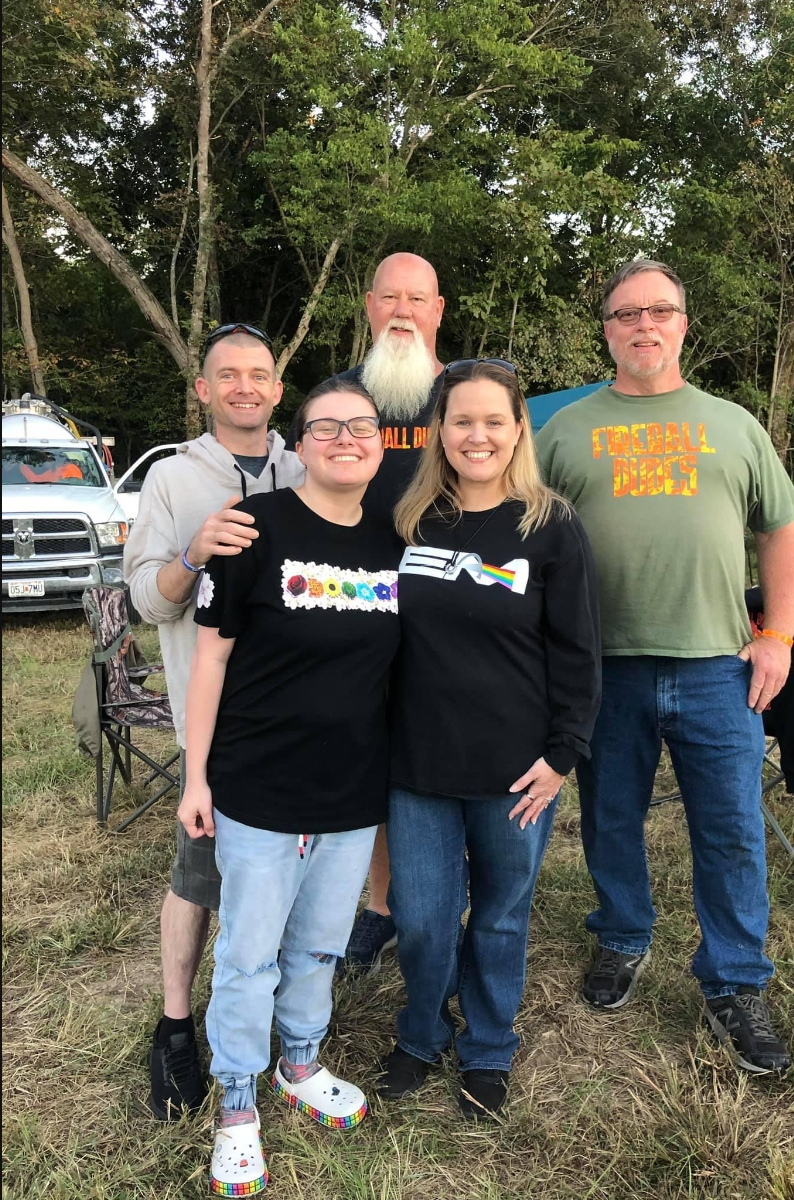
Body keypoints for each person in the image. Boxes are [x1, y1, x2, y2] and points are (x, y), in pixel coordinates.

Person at [533, 259, 794, 1075]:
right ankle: (622, 934)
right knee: (610, 815)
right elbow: (523, 539)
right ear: (607, 330)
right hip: (602, 667)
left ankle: (735, 980)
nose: (643, 325)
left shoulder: (734, 425)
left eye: (659, 311)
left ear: (684, 324)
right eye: (626, 313)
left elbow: (781, 534)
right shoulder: (564, 431)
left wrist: (779, 635)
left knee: (730, 829)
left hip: (719, 665)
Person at [181, 378, 402, 1197]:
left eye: (362, 426)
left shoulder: (395, 539)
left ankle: (299, 1063)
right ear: (299, 444)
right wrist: (195, 777)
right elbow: (211, 658)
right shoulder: (254, 528)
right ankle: (237, 1102)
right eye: (326, 427)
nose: (346, 439)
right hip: (257, 784)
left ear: (381, 444)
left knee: (319, 943)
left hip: (352, 788)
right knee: (248, 955)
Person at [372, 360, 601, 1119]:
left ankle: (489, 1046)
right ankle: (421, 1032)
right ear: (438, 430)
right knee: (422, 919)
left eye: (493, 421)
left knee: (501, 915)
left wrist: (562, 755)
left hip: (517, 769)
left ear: (518, 429)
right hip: (418, 763)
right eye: (461, 420)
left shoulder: (550, 525)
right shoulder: (407, 521)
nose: (478, 435)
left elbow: (579, 650)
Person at [122, 323, 306, 1120]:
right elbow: (146, 600)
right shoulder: (171, 477)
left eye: (258, 374)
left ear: (277, 388)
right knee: (198, 880)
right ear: (203, 389)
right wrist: (194, 553)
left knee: (289, 881)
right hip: (218, 728)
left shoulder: (310, 464)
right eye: (227, 374)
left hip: (301, 723)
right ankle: (174, 1026)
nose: (244, 387)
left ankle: (286, 1028)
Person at [323, 252, 449, 976]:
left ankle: (447, 905)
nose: (403, 311)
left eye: (417, 298)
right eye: (390, 297)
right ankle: (380, 909)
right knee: (373, 760)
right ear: (369, 306)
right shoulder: (339, 399)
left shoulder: (467, 393)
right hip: (361, 607)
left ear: (438, 310)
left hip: (452, 610)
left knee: (447, 756)